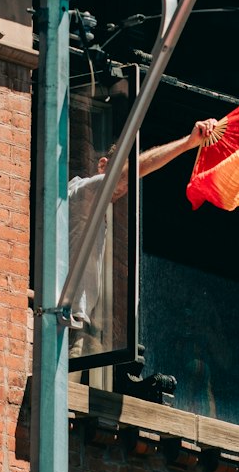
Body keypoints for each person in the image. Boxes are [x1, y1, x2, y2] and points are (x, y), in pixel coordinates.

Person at [67, 117, 218, 350]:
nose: (125, 187)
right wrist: (188, 143)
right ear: (102, 165)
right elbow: (122, 176)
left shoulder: (97, 215)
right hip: (64, 322)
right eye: (123, 172)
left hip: (77, 324)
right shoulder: (81, 193)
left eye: (129, 183)